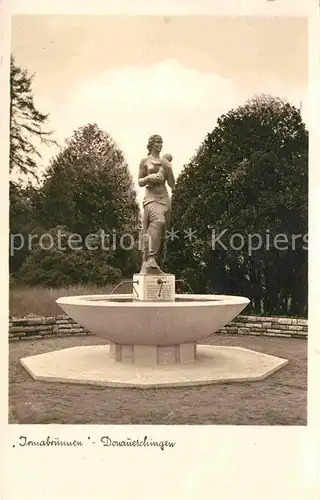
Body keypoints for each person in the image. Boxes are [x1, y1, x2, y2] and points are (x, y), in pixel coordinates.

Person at [138, 135, 175, 274]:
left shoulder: (165, 163)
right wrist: (149, 177)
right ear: (151, 144)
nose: (160, 144)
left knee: (164, 231)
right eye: (158, 142)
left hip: (164, 197)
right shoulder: (145, 161)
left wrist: (169, 168)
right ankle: (150, 258)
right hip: (151, 197)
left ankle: (155, 263)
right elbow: (140, 182)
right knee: (158, 221)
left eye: (161, 142)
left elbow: (172, 184)